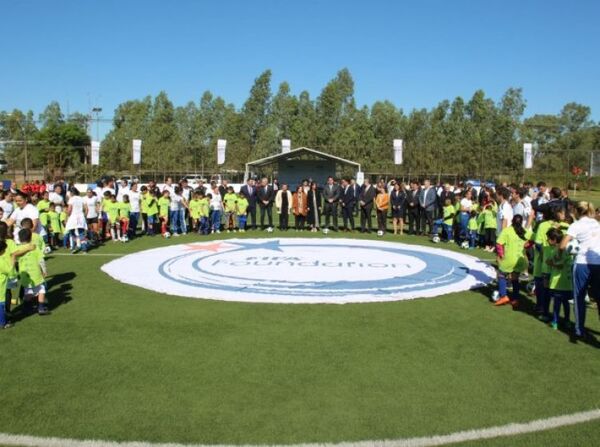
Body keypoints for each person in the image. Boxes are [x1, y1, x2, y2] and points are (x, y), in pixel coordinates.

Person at [559, 201, 600, 338]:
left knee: (579, 297)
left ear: (577, 211)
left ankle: (579, 329)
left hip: (582, 263)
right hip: (598, 264)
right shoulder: (595, 223)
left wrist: (570, 249)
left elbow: (562, 245)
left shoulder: (576, 225)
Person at [494, 214, 532, 307]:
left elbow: (499, 244)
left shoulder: (507, 231)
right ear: (522, 222)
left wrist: (501, 255)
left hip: (509, 258)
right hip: (521, 259)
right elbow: (534, 239)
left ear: (512, 221)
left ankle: (503, 296)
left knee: (501, 275)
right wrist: (527, 245)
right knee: (515, 278)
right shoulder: (526, 231)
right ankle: (515, 299)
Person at [18, 228, 50, 316]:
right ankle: (41, 308)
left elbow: (15, 261)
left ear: (19, 238)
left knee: (28, 292)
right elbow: (41, 261)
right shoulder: (34, 248)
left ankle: (27, 308)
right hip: (36, 274)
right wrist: (44, 270)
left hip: (25, 275)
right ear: (30, 238)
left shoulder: (18, 249)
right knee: (41, 290)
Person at [545, 228, 572, 330]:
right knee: (565, 303)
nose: (547, 240)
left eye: (548, 238)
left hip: (559, 282)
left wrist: (551, 262)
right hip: (567, 282)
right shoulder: (563, 249)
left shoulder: (560, 250)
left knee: (557, 303)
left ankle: (555, 322)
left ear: (554, 239)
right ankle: (567, 321)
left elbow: (559, 264)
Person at [64, 186, 88, 252]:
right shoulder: (82, 198)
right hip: (81, 216)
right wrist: (84, 216)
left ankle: (73, 247)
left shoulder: (71, 199)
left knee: (72, 232)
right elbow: (86, 209)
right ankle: (84, 249)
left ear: (72, 193)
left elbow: (69, 210)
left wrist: (67, 217)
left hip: (73, 217)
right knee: (81, 233)